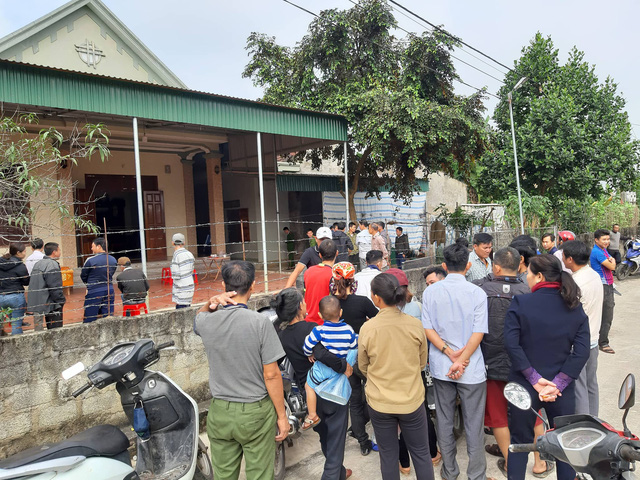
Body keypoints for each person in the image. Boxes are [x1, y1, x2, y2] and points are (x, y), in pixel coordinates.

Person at [194, 261, 289, 480]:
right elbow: (271, 374)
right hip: (255, 411)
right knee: (260, 474)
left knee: (224, 475)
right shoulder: (260, 323)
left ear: (223, 285)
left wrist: (211, 302)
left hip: (220, 411)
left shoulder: (207, 321)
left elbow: (197, 320)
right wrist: (282, 416)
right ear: (253, 285)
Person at [504, 254, 590, 480]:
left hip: (524, 385)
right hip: (560, 389)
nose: (526, 277)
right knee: (564, 443)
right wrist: (558, 383)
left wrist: (533, 378)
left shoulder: (521, 303)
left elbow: (511, 344)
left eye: (528, 273)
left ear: (540, 276)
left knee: (519, 442)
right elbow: (582, 352)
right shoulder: (574, 307)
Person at [422, 242, 490, 480]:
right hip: (471, 368)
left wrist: (449, 353)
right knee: (474, 423)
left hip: (442, 366)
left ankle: (450, 471)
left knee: (444, 419)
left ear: (444, 265)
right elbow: (478, 332)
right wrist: (462, 359)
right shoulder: (477, 293)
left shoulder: (430, 292)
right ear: (468, 265)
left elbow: (428, 329)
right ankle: (477, 474)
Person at [274, 288, 354, 480]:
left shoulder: (282, 336)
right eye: (303, 302)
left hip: (308, 393)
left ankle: (339, 472)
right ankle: (332, 474)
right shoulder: (311, 329)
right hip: (330, 389)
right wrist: (344, 366)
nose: (305, 304)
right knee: (336, 439)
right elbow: (322, 353)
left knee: (325, 435)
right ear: (299, 308)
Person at [360, 273, 434, 480]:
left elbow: (363, 366)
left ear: (376, 297)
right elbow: (421, 363)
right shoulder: (414, 324)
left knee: (388, 455)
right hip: (411, 400)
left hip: (380, 402)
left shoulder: (368, 328)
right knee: (421, 453)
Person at [473, 247, 530, 475]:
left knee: (497, 415)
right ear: (519, 265)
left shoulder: (480, 290)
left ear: (495, 267)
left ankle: (509, 461)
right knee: (528, 410)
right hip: (523, 364)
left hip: (491, 362)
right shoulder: (528, 291)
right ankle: (539, 461)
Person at [387, 267, 441, 473]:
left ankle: (404, 462)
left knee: (396, 416)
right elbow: (425, 339)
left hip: (392, 370)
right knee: (421, 410)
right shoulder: (418, 306)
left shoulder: (383, 312)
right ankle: (432, 453)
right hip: (416, 367)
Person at [331, 261, 377, 455]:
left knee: (355, 401)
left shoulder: (329, 304)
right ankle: (369, 434)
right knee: (374, 396)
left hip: (342, 360)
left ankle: (362, 441)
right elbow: (378, 321)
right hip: (363, 356)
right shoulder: (363, 302)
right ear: (353, 281)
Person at [302, 296, 358, 430]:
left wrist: (309, 353)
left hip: (323, 369)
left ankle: (312, 415)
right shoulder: (349, 330)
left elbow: (307, 346)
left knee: (308, 386)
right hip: (341, 368)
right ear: (341, 312)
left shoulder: (318, 330)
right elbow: (354, 346)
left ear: (320, 315)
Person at [563, 240, 603, 416]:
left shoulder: (574, 283)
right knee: (591, 384)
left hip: (579, 343)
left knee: (579, 387)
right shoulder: (594, 275)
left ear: (570, 259)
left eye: (563, 256)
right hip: (593, 339)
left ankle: (583, 424)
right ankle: (594, 419)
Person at [27, 242, 65, 329]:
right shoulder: (52, 265)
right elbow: (54, 286)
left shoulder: (38, 263)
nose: (60, 252)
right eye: (59, 250)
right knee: (55, 329)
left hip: (39, 300)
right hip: (52, 303)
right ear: (54, 252)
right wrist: (61, 300)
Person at [590, 229, 616, 354]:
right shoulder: (597, 252)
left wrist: (611, 260)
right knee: (607, 314)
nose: (606, 241)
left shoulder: (603, 250)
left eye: (608, 239)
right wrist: (613, 261)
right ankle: (603, 342)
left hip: (607, 284)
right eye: (604, 239)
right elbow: (612, 266)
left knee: (604, 313)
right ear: (596, 240)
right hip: (603, 285)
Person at [80, 237, 117, 323]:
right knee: (108, 317)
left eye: (93, 246)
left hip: (94, 290)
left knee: (90, 317)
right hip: (109, 289)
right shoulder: (113, 259)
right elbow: (111, 272)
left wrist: (89, 283)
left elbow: (83, 275)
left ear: (99, 246)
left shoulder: (90, 260)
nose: (91, 249)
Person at [304, 239, 338, 325]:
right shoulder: (335, 274)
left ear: (320, 254)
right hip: (326, 322)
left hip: (308, 321)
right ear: (337, 253)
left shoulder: (308, 271)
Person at [0, 243, 29, 335]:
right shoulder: (20, 266)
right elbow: (26, 282)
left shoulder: (1, 262)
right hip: (15, 296)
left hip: (1, 295)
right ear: (18, 253)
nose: (25, 253)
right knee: (16, 324)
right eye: (24, 251)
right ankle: (17, 342)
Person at [170, 233, 195, 309]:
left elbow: (175, 275)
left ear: (172, 243)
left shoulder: (176, 256)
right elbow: (192, 270)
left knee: (180, 309)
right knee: (188, 308)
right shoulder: (190, 254)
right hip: (190, 285)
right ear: (184, 242)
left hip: (180, 288)